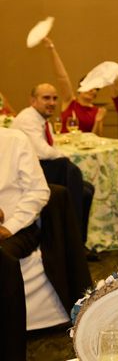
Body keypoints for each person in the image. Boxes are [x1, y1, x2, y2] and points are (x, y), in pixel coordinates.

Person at [12, 83, 95, 245]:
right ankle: (73, 241)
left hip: (41, 169)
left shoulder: (44, 121)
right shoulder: (28, 118)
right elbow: (43, 151)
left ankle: (79, 242)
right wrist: (64, 156)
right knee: (67, 167)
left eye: (54, 98)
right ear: (33, 100)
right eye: (46, 98)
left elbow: (50, 149)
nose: (52, 102)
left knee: (87, 190)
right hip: (26, 176)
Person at [0, 128, 51, 359]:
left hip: (17, 227)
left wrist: (9, 226)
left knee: (3, 259)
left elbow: (39, 191)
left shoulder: (14, 140)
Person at [41, 37, 118, 135]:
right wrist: (52, 49)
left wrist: (98, 121)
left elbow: (96, 137)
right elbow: (62, 78)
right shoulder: (70, 102)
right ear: (80, 89)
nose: (92, 90)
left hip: (85, 148)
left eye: (96, 89)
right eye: (89, 86)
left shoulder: (97, 111)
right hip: (65, 146)